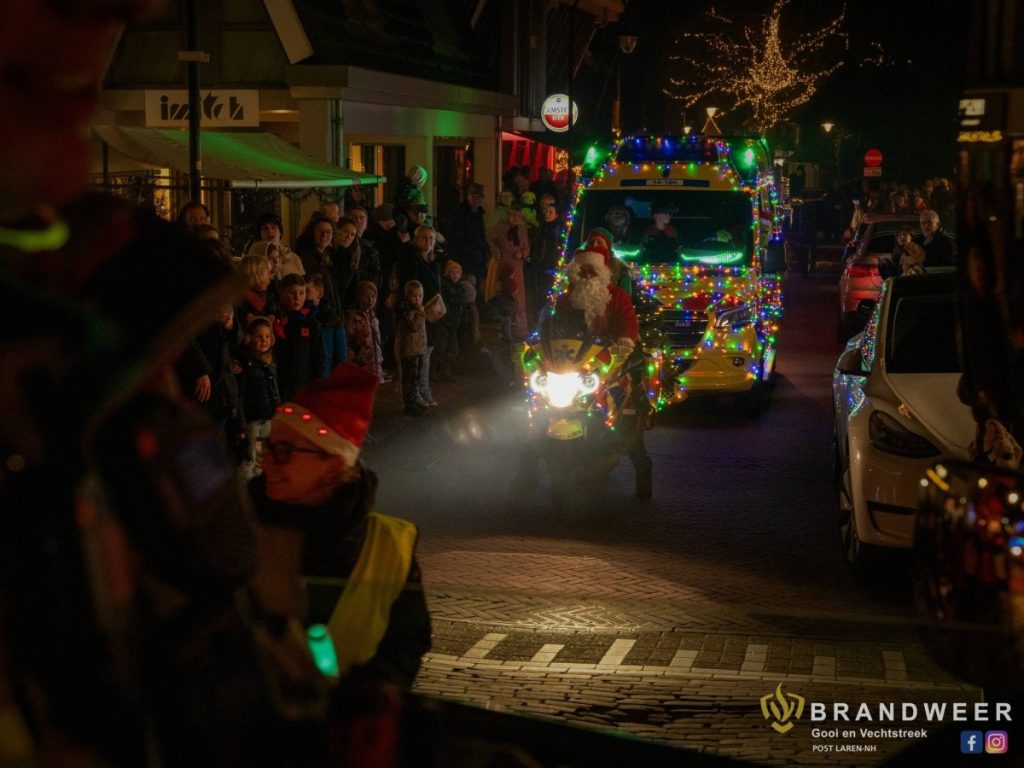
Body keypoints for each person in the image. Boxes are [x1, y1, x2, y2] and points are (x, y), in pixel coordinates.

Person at [247, 364, 432, 688]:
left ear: (333, 467)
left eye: (284, 450)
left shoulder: (389, 545)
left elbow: (406, 643)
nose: (267, 462)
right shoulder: (240, 526)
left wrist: (374, 692)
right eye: (268, 446)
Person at [237, 316, 282, 482]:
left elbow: (274, 390)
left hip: (268, 419)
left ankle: (258, 487)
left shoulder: (271, 363)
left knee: (262, 457)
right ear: (250, 338)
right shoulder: (246, 364)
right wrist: (242, 421)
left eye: (267, 336)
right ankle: (244, 487)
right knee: (250, 457)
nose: (264, 340)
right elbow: (241, 395)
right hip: (253, 420)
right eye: (259, 336)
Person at [273, 274, 326, 401]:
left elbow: (318, 356)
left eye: (301, 293)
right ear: (282, 294)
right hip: (279, 385)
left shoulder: (311, 324)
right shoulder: (276, 320)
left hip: (303, 386)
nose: (297, 298)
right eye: (292, 293)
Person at [486, 203, 530, 340]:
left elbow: (526, 248)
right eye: (513, 215)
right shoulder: (500, 226)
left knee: (518, 296)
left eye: (518, 216)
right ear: (509, 215)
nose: (516, 218)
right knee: (502, 294)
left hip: (517, 266)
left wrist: (522, 254)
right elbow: (488, 238)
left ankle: (519, 328)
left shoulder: (522, 229)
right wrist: (495, 250)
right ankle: (502, 328)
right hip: (503, 265)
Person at [397, 280, 430, 416]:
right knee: (410, 378)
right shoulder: (407, 312)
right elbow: (414, 326)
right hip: (410, 350)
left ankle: (415, 400)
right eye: (414, 296)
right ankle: (409, 404)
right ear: (408, 296)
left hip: (418, 348)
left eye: (420, 296)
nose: (418, 299)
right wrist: (421, 314)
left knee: (416, 377)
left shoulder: (417, 309)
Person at [447, 182, 488, 287]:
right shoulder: (460, 213)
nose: (476, 200)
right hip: (464, 258)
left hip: (478, 258)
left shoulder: (479, 214)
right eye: (473, 196)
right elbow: (456, 237)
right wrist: (471, 251)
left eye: (479, 197)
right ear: (468, 196)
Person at [345, 281, 385, 383]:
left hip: (375, 364)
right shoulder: (354, 318)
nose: (370, 300)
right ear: (359, 297)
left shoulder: (374, 318)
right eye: (366, 296)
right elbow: (349, 341)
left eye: (373, 297)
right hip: (361, 364)